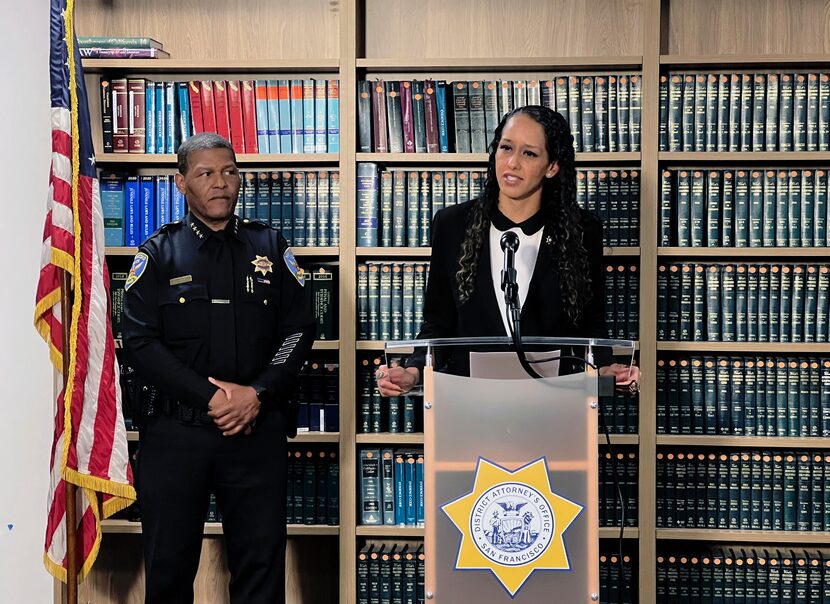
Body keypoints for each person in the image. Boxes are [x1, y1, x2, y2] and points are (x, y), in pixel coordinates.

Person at [122, 132, 316, 603]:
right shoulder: (158, 254)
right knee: (168, 572)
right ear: (181, 183)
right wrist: (211, 398)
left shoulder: (270, 246)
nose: (220, 183)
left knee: (260, 572)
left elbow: (301, 330)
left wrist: (257, 394)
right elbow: (139, 343)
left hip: (255, 431)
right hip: (175, 434)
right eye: (206, 173)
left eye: (229, 171)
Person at [376, 105, 640, 396]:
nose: (512, 163)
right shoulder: (452, 225)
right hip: (468, 402)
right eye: (506, 148)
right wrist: (413, 371)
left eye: (529, 153)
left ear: (552, 166)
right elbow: (437, 324)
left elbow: (591, 324)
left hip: (555, 402)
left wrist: (606, 369)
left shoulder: (582, 231)